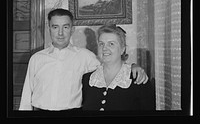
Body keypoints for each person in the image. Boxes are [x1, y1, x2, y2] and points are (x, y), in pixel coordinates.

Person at [19, 8, 148, 111]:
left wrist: (133, 67)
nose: (60, 33)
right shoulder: (36, 59)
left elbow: (110, 67)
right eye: (55, 27)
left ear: (72, 29)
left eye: (65, 27)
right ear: (49, 29)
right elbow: (26, 96)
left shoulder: (85, 56)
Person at [82, 25, 155, 111]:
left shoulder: (138, 79)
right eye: (101, 44)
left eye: (111, 44)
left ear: (122, 49)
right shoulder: (88, 79)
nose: (105, 48)